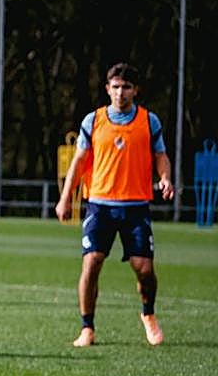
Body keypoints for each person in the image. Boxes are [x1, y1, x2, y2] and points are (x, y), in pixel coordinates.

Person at [55, 62, 174, 348]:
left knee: (144, 269)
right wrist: (65, 198)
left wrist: (166, 178)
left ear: (136, 91)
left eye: (127, 87)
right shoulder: (93, 121)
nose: (121, 93)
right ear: (108, 89)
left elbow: (161, 156)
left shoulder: (148, 121)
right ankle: (87, 328)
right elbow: (79, 162)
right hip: (100, 205)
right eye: (116, 87)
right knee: (92, 263)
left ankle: (148, 314)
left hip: (135, 206)